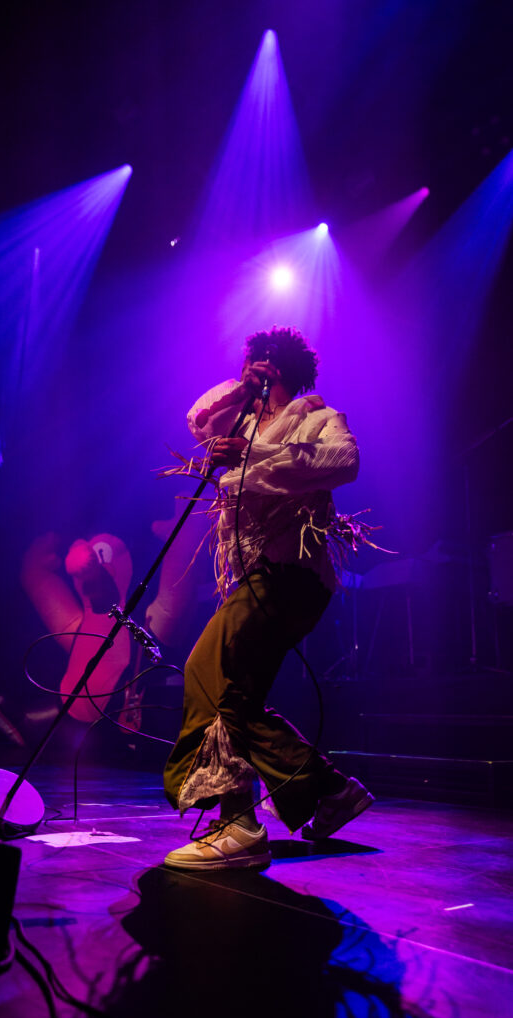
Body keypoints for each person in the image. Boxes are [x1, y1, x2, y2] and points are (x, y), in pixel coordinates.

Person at [163, 325, 375, 870]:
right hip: (258, 580)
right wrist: (239, 392)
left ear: (271, 365)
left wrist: (253, 461)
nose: (244, 371)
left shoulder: (319, 418)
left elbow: (343, 463)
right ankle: (328, 793)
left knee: (209, 672)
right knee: (238, 695)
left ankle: (237, 825)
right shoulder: (247, 421)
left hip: (291, 575)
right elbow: (198, 420)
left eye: (252, 364)